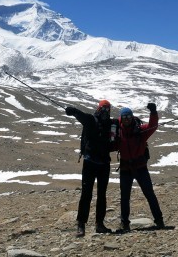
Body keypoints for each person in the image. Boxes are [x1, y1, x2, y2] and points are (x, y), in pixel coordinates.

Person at [65, 100, 117, 237]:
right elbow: (81, 115)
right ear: (99, 109)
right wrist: (73, 111)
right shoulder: (90, 120)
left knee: (102, 194)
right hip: (90, 162)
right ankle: (81, 225)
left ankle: (99, 224)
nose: (105, 111)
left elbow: (123, 124)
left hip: (104, 164)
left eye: (107, 109)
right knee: (86, 194)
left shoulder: (111, 124)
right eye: (103, 109)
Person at [117, 103, 164, 233]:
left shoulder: (140, 131)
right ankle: (125, 223)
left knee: (149, 194)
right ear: (121, 118)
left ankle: (159, 221)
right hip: (126, 169)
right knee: (125, 197)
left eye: (128, 116)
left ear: (132, 117)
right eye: (124, 116)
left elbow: (152, 126)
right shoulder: (117, 132)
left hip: (140, 168)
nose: (126, 119)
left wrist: (153, 112)